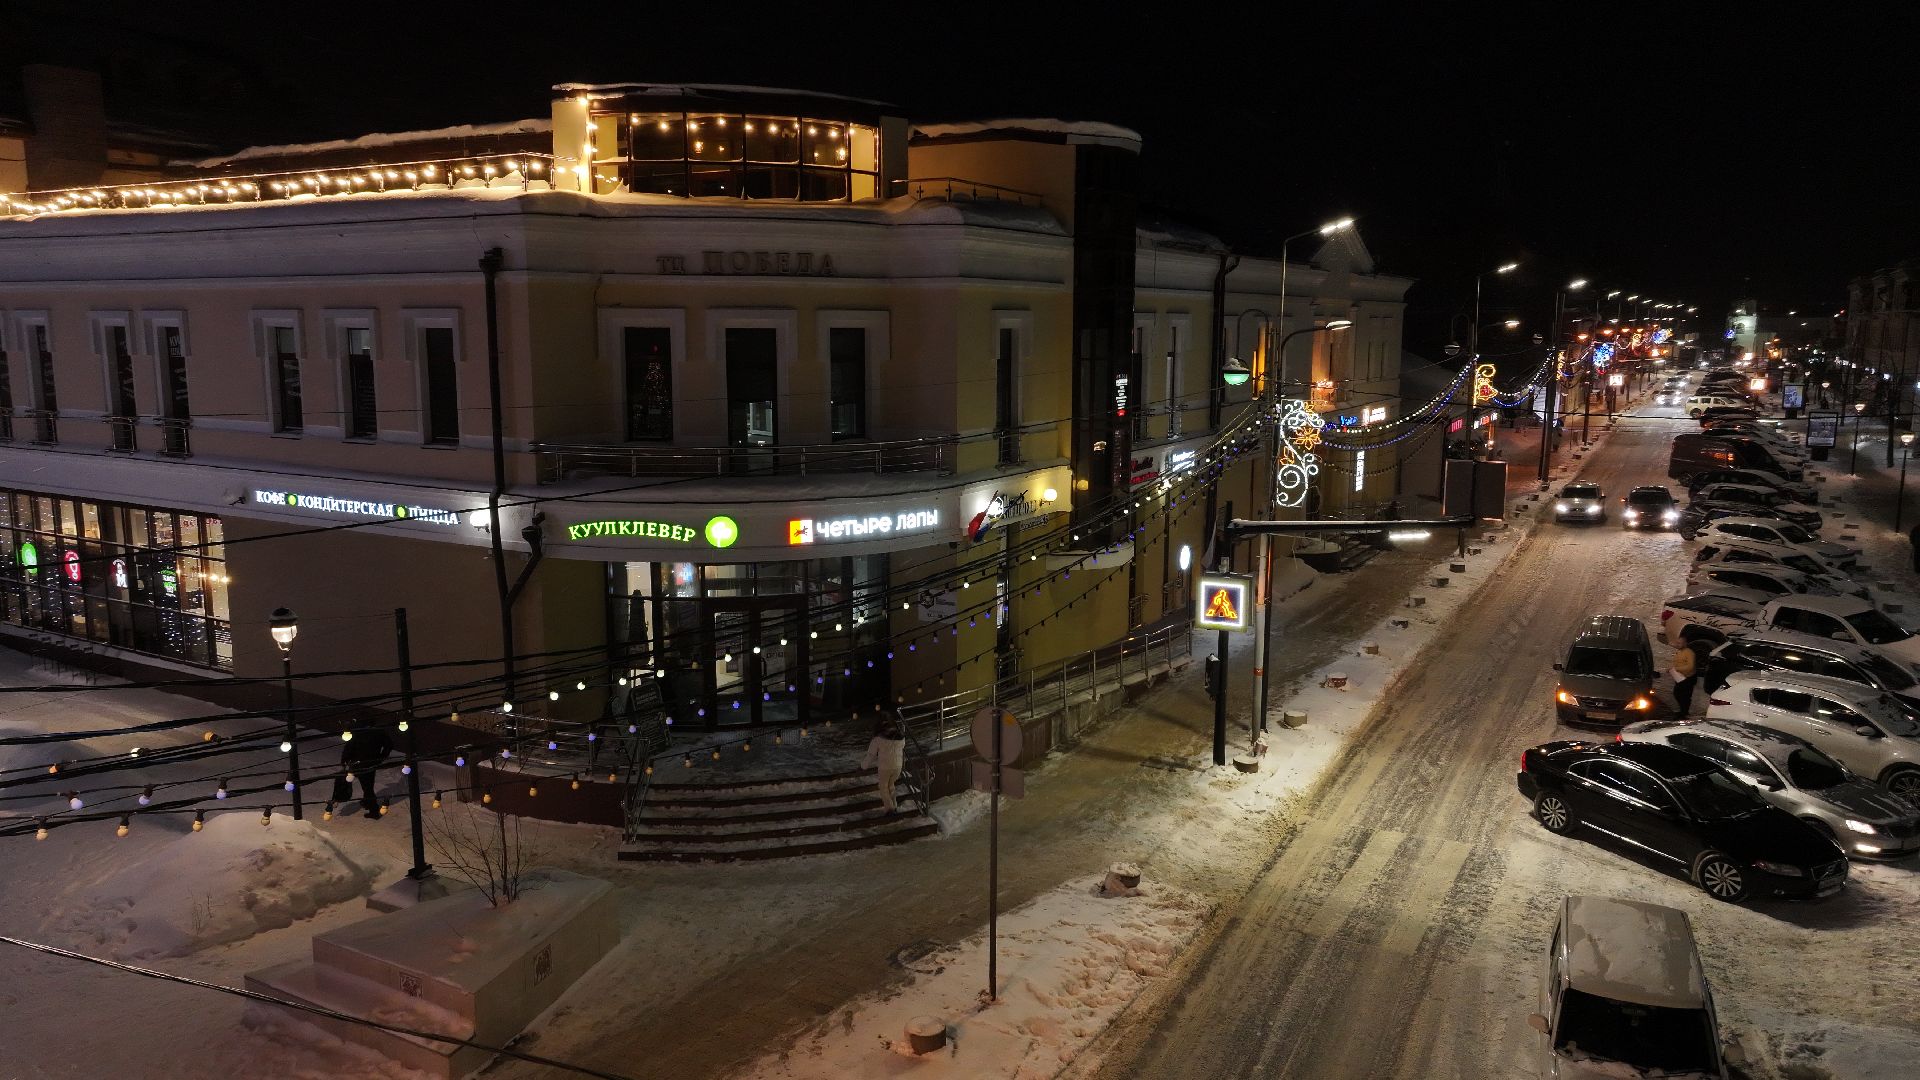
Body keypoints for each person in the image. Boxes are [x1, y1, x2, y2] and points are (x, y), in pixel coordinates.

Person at [339, 725, 393, 819]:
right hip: (372, 762)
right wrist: (381, 758)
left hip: (358, 763)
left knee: (367, 787)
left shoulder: (358, 731)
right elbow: (389, 745)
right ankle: (368, 802)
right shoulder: (378, 731)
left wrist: (344, 760)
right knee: (368, 784)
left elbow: (349, 747)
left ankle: (374, 810)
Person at [860, 714, 906, 813]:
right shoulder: (900, 736)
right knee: (891, 785)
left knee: (883, 787)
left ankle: (890, 809)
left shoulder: (878, 739)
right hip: (898, 766)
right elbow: (902, 747)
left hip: (885, 767)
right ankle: (894, 806)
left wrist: (863, 767)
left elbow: (871, 755)